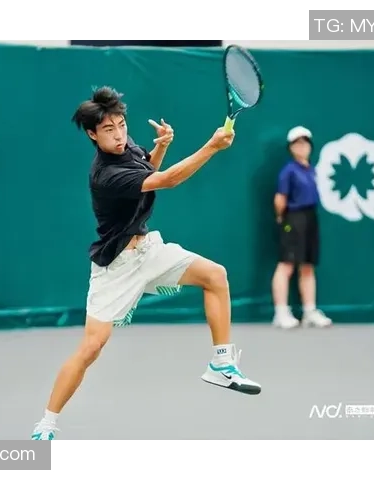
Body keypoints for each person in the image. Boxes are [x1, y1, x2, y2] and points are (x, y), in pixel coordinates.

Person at [30, 86, 261, 440]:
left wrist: (162, 146)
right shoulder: (105, 174)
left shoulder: (127, 147)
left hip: (148, 251)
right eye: (109, 130)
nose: (119, 134)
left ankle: (221, 363)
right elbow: (164, 181)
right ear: (92, 135)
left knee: (216, 276)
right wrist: (212, 146)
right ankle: (46, 423)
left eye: (121, 125)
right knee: (91, 347)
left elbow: (147, 171)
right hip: (116, 266)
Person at [270, 126, 332, 329]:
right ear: (290, 148)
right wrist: (283, 218)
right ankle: (281, 312)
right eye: (297, 143)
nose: (301, 147)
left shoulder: (311, 170)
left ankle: (309, 311)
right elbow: (280, 199)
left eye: (305, 143)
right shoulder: (288, 171)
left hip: (310, 217)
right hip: (293, 218)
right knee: (286, 265)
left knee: (307, 265)